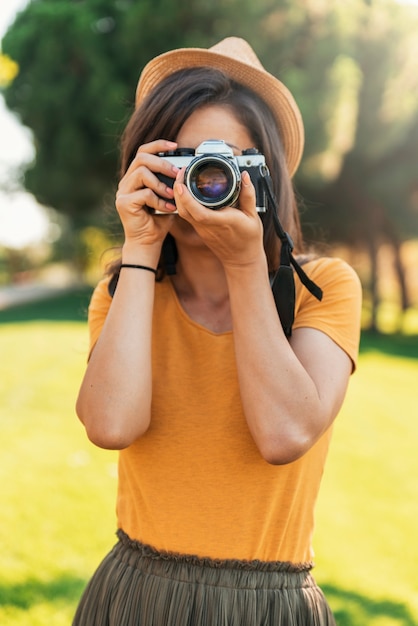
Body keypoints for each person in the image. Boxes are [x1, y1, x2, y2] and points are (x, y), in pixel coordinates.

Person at [73, 36, 362, 626]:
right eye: (185, 161)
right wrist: (140, 245)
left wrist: (246, 266)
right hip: (137, 595)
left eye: (227, 162)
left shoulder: (326, 286)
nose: (205, 181)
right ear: (147, 167)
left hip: (270, 605)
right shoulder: (126, 291)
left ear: (265, 176)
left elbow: (284, 434)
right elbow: (110, 425)